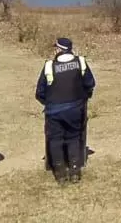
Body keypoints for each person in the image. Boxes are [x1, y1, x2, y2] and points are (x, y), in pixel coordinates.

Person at [36, 37, 95, 184]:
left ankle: (60, 173)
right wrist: (83, 99)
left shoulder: (49, 66)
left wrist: (49, 103)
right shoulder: (80, 62)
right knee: (74, 138)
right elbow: (90, 83)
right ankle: (75, 171)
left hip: (54, 111)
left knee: (55, 140)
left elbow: (40, 92)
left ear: (59, 49)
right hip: (76, 108)